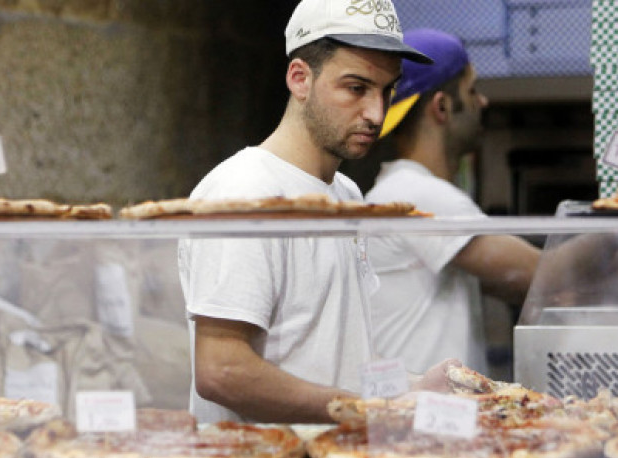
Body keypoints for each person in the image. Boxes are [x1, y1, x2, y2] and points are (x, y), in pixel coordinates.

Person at [178, 0, 457, 425]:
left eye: (387, 90)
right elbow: (222, 371)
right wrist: (372, 412)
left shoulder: (346, 194)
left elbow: (339, 354)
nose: (376, 114)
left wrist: (416, 387)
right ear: (299, 78)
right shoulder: (245, 192)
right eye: (356, 88)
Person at [363, 29, 541, 375]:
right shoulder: (416, 194)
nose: (483, 102)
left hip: (425, 415)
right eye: (472, 90)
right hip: (422, 420)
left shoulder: (400, 189)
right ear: (442, 107)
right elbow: (539, 274)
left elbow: (504, 279)